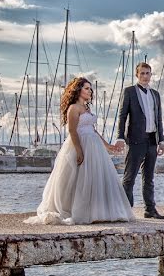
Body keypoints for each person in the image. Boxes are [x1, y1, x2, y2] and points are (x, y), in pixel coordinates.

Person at [25, 78, 133, 225]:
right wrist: (79, 150)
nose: (90, 91)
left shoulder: (86, 108)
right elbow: (72, 131)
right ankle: (77, 210)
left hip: (94, 145)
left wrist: (108, 146)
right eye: (86, 88)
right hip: (81, 143)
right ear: (78, 90)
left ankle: (97, 211)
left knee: (95, 178)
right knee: (78, 179)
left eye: (90, 89)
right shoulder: (73, 108)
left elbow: (93, 130)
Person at [114, 62, 164, 219]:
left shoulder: (155, 94)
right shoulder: (129, 92)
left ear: (151, 75)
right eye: (142, 73)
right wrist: (120, 137)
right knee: (129, 177)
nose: (145, 76)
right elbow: (122, 116)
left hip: (152, 140)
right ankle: (124, 211)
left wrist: (162, 141)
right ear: (137, 75)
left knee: (149, 177)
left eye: (148, 73)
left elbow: (158, 119)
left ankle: (150, 210)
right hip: (136, 140)